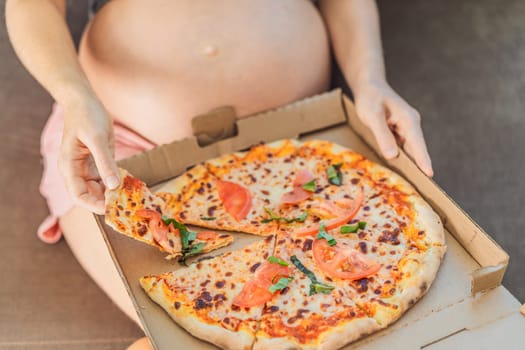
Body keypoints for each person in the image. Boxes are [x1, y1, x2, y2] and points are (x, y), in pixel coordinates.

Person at [6, 0, 433, 349]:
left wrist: (370, 81)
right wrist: (73, 95)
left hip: (301, 135)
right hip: (120, 141)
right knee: (177, 330)